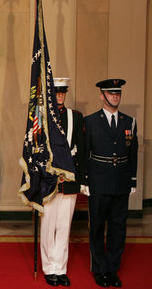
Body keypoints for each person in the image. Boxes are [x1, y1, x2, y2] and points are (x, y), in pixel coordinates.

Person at [84, 79, 138, 288]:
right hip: (98, 181)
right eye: (111, 93)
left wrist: (133, 178)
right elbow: (86, 152)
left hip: (121, 181)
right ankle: (99, 269)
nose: (115, 96)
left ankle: (112, 268)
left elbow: (132, 152)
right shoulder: (90, 122)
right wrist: (85, 180)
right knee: (97, 226)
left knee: (118, 228)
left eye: (118, 93)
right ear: (102, 95)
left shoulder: (129, 122)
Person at [41, 78, 86, 286]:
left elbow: (82, 150)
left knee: (64, 226)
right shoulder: (41, 117)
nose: (60, 96)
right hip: (49, 181)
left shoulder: (75, 117)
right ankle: (48, 267)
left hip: (68, 181)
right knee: (48, 226)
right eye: (56, 93)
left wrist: (82, 179)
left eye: (62, 93)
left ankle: (60, 267)